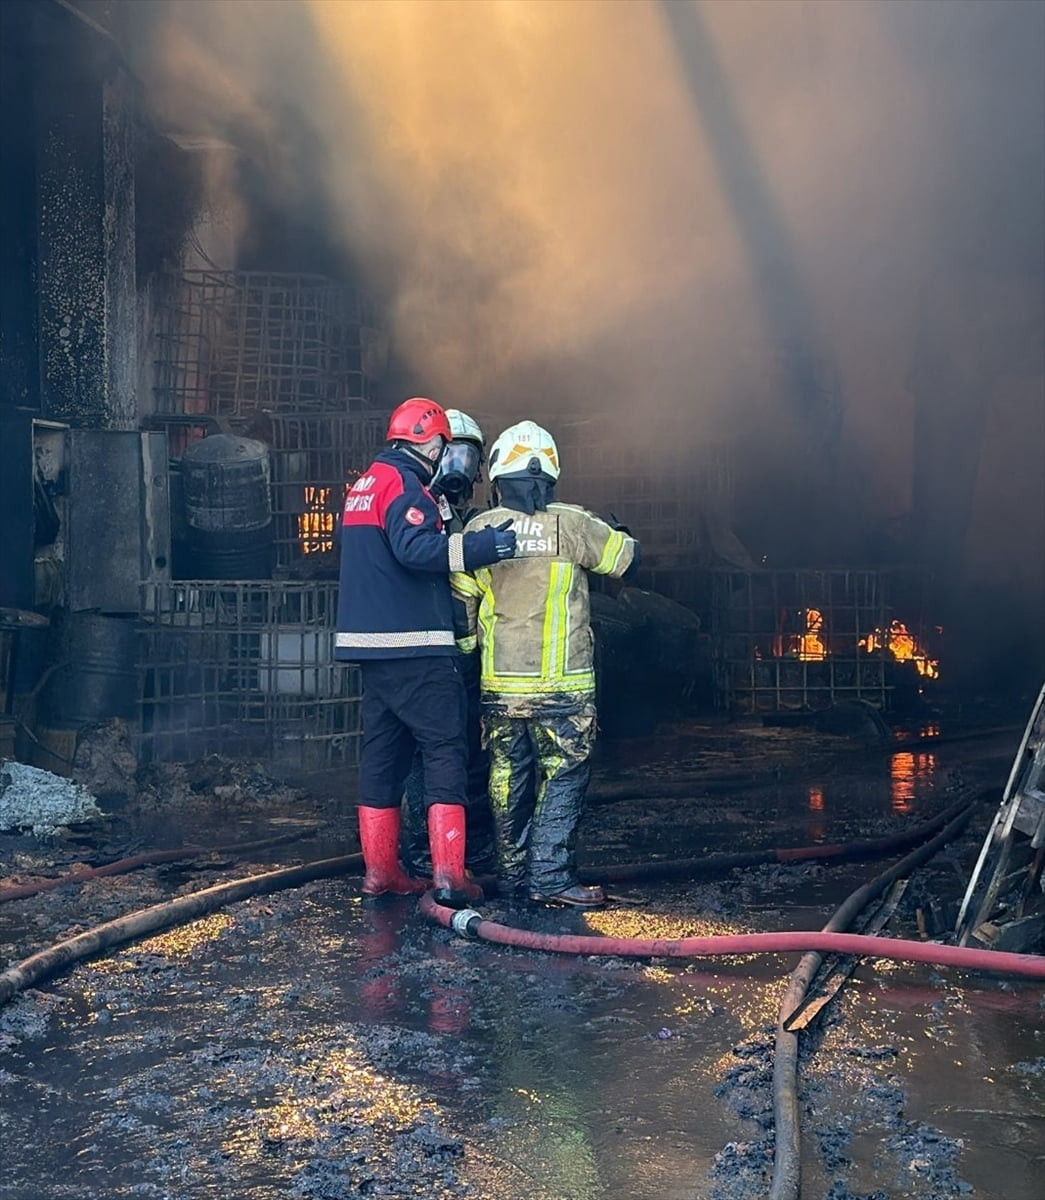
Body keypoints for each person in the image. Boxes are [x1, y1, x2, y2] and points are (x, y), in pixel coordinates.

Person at [335, 397, 517, 907]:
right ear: (432, 442)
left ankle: (381, 873)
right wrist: (481, 548)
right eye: (445, 448)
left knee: (382, 756)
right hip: (414, 643)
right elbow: (414, 550)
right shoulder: (405, 484)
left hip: (372, 645)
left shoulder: (365, 483)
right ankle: (450, 877)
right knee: (445, 749)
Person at [451, 420, 640, 906]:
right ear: (550, 472)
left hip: (501, 688)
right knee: (564, 773)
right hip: (565, 687)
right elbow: (625, 560)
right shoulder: (573, 524)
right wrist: (620, 532)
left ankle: (514, 879)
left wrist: (469, 663)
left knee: (506, 777)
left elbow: (461, 611)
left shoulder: (478, 530)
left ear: (496, 475)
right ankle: (551, 878)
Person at [400, 409, 497, 877]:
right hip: (430, 650)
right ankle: (420, 849)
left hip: (468, 654)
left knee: (469, 748)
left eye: (467, 455)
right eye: (449, 452)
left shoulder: (473, 520)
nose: (457, 465)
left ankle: (465, 842)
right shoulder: (414, 506)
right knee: (431, 750)